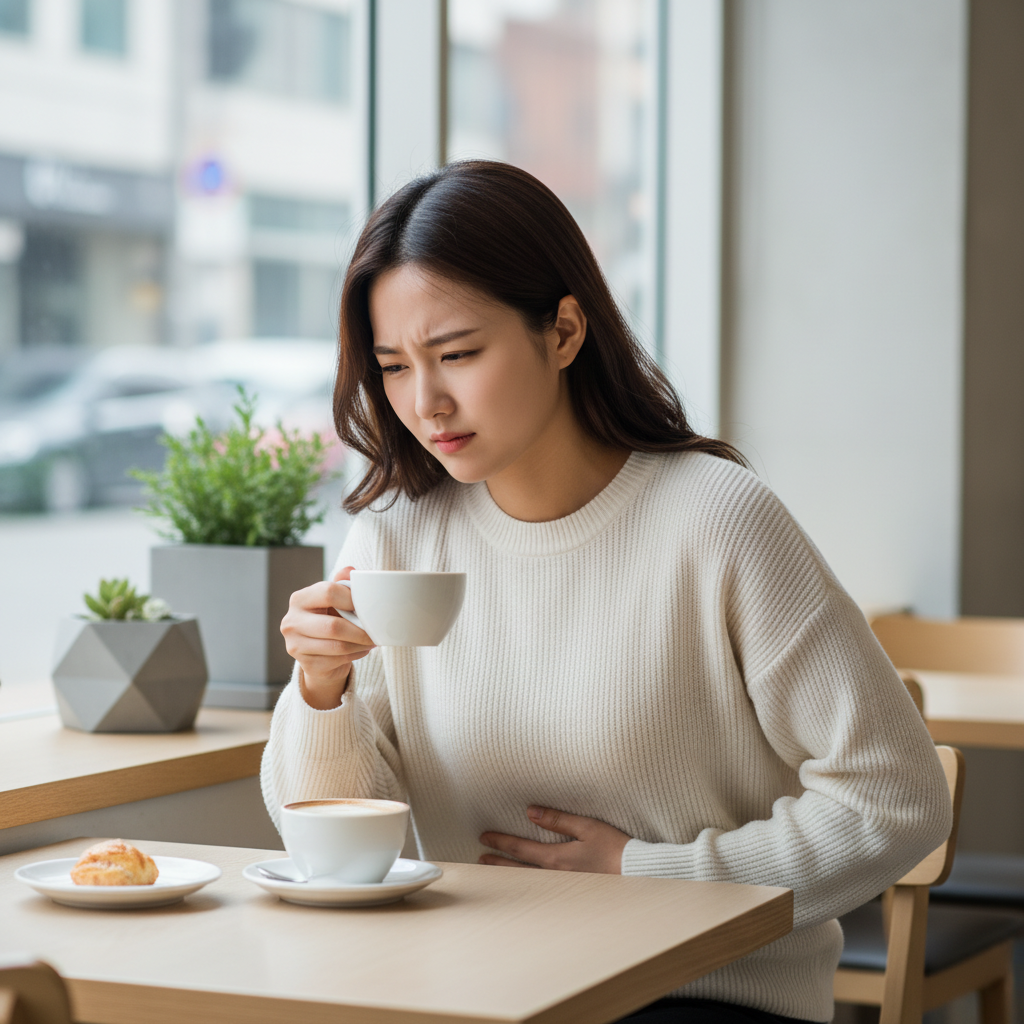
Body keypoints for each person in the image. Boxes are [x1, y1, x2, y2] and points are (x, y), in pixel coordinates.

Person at [261, 160, 951, 1024]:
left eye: (459, 354)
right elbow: (323, 848)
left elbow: (898, 799)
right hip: (476, 991)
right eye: (394, 366)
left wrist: (647, 876)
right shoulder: (398, 536)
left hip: (705, 995)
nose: (425, 402)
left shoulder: (716, 520)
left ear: (563, 332)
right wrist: (322, 692)